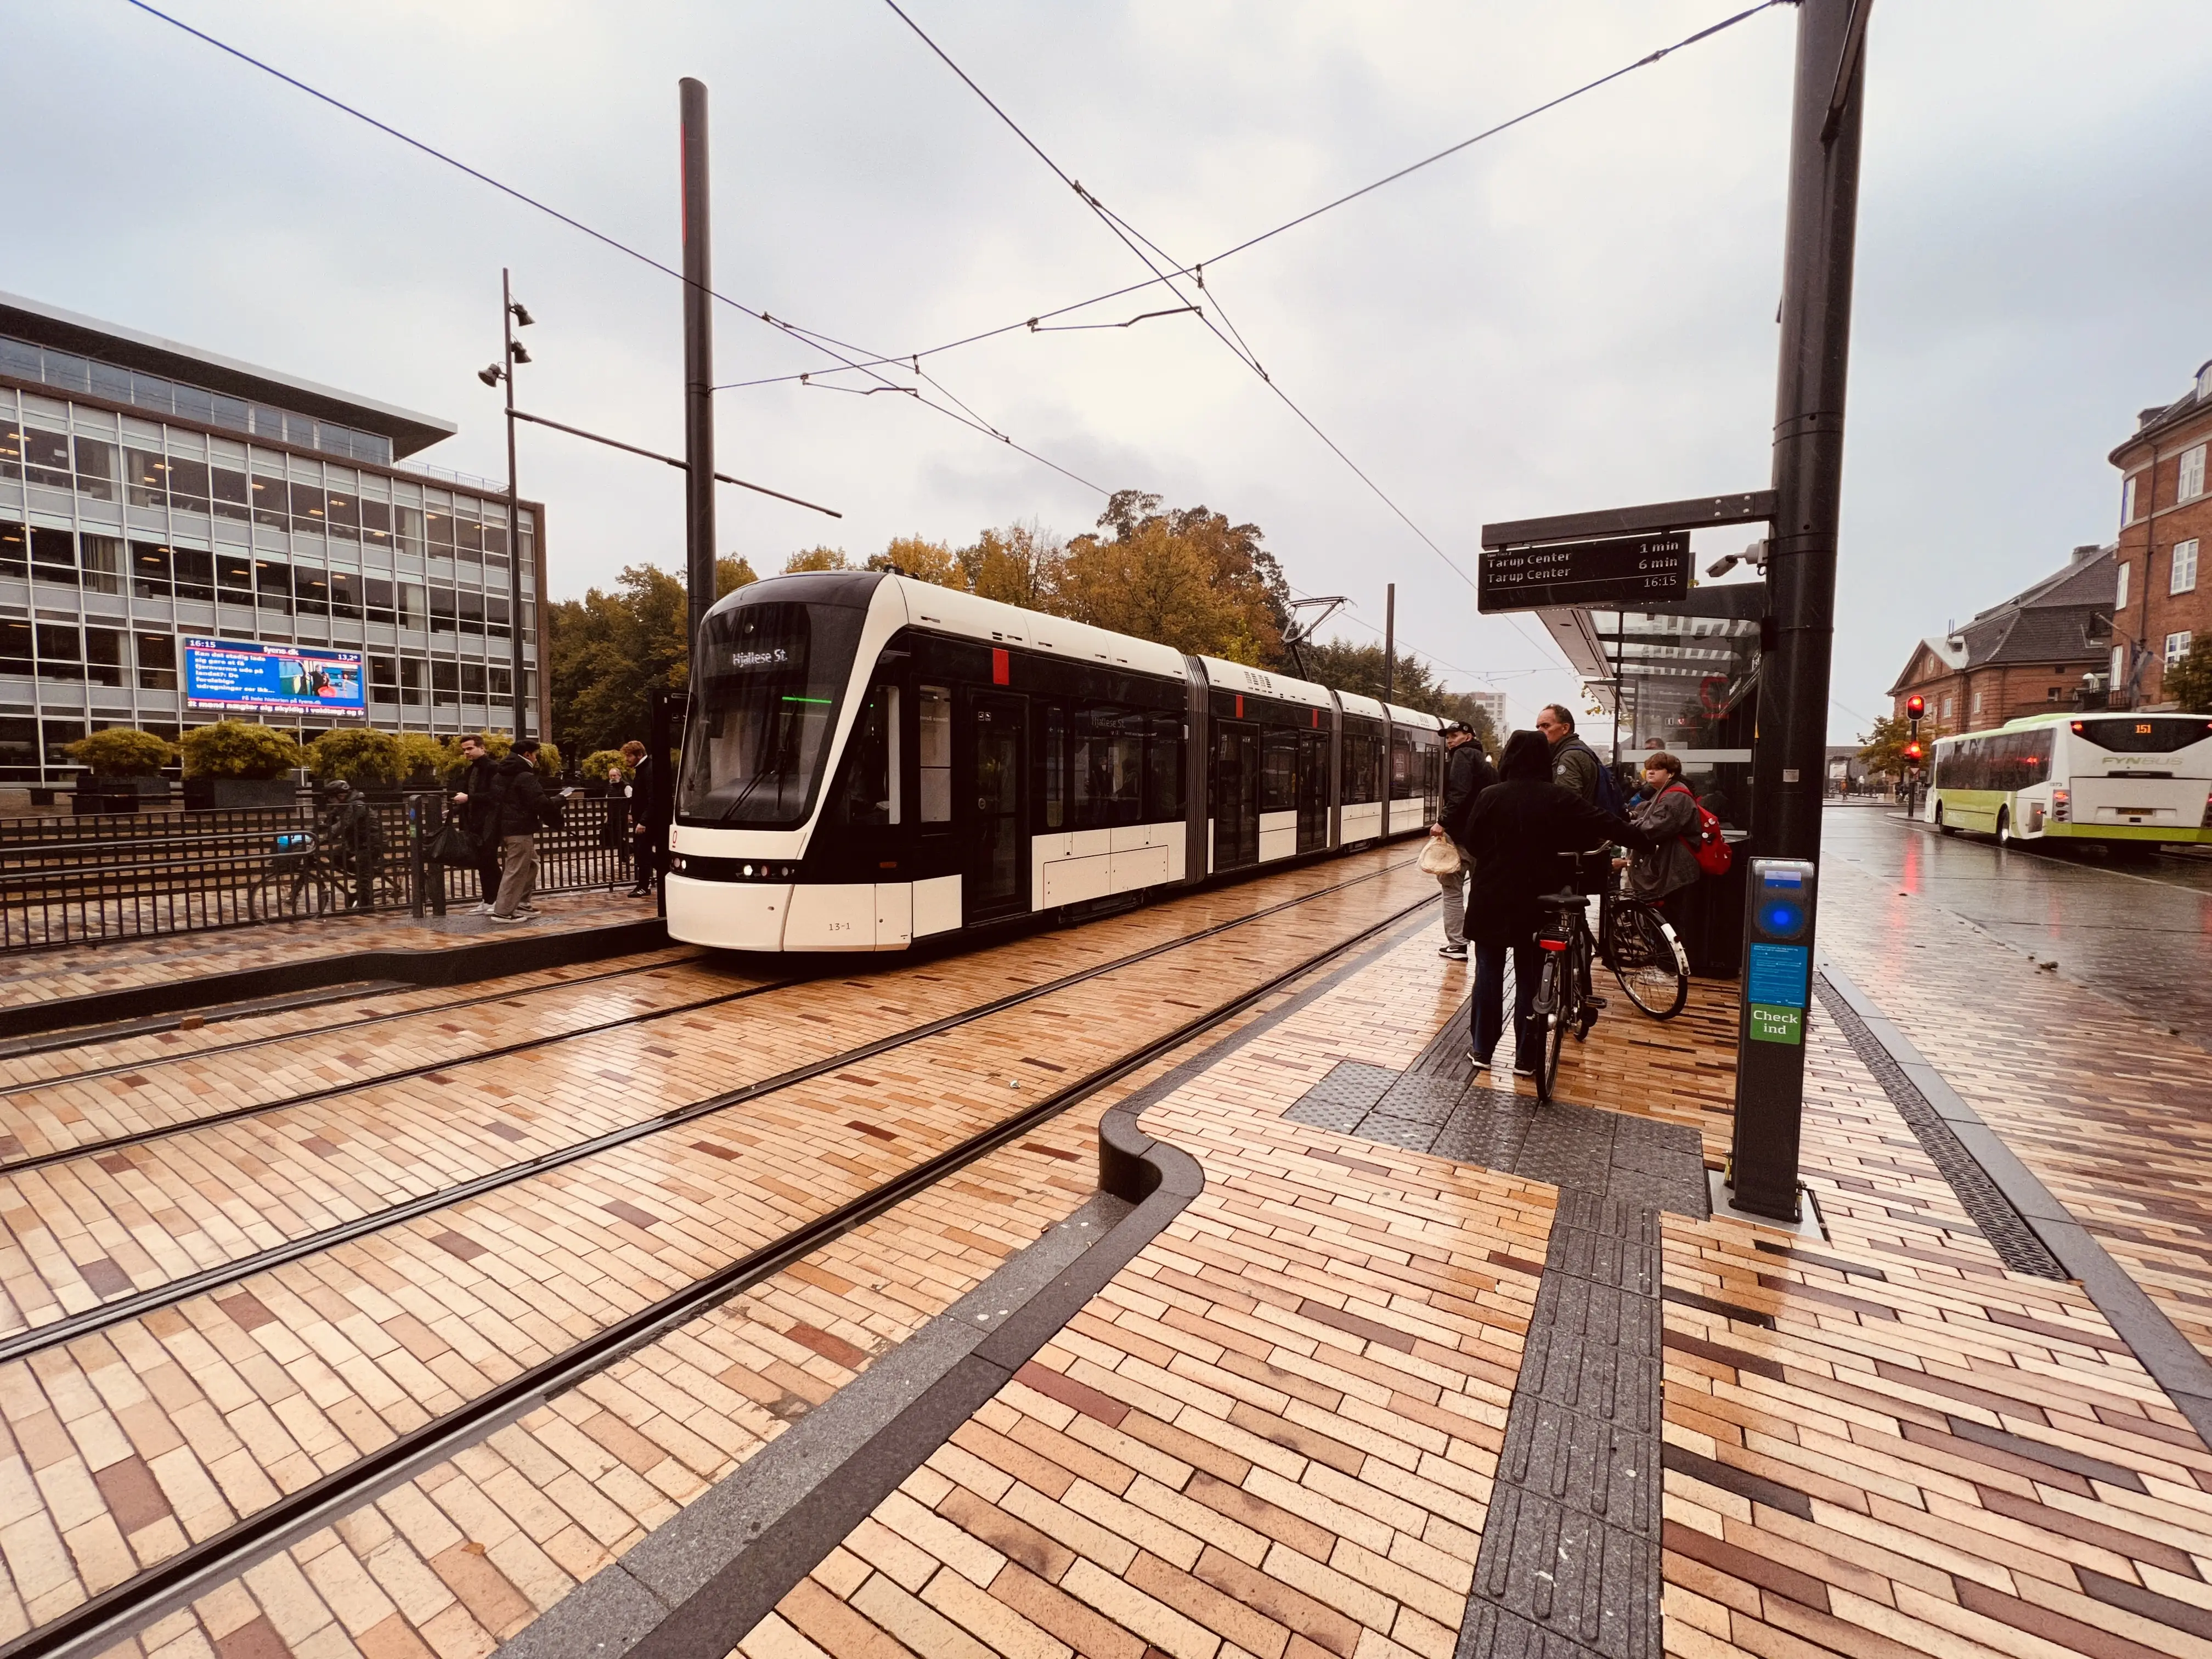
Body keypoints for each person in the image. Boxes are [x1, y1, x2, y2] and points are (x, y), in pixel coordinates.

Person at [1459, 730, 1650, 1077]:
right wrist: (1645, 840)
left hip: (1491, 898)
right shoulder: (1558, 797)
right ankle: (1526, 1058)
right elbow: (1606, 822)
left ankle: (1482, 1050)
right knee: (1531, 977)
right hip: (1536, 900)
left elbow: (1472, 841)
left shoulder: (1490, 796)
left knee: (1487, 974)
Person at [1428, 721, 1497, 961]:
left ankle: (1457, 944)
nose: (1450, 741)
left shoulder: (1463, 756)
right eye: (1448, 737)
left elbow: (1459, 792)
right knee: (1479, 890)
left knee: (1452, 889)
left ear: (1468, 737)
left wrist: (1442, 822)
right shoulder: (1484, 762)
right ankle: (1483, 939)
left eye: (1455, 736)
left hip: (1461, 838)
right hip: (1485, 839)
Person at [1616, 752, 1703, 912]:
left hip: (1673, 872)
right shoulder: (1665, 792)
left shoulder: (1675, 797)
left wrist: (1622, 826)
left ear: (1671, 773)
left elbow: (1655, 827)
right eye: (1648, 768)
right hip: (1668, 869)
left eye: (1657, 769)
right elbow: (1647, 815)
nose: (1650, 772)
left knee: (1670, 919)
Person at [486, 738, 548, 922]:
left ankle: (521, 903)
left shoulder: (501, 775)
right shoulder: (525, 776)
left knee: (531, 863)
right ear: (528, 754)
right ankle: (503, 911)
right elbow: (538, 801)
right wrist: (558, 802)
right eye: (535, 754)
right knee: (515, 869)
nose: (537, 758)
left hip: (507, 827)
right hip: (519, 829)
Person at [451, 735, 504, 916]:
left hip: (489, 823)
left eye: (470, 749)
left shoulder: (493, 768)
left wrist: (468, 798)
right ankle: (488, 900)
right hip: (474, 823)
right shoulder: (472, 770)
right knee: (483, 862)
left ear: (482, 748)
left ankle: (497, 900)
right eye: (464, 750)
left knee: (489, 861)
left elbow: (495, 796)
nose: (467, 753)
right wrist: (458, 809)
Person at [318, 780, 383, 912]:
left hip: (370, 841)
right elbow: (329, 821)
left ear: (340, 796)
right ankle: (365, 873)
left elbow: (343, 825)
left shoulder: (357, 806)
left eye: (330, 798)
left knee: (363, 871)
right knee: (335, 855)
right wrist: (314, 832)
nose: (329, 801)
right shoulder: (343, 805)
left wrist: (323, 839)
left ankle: (366, 907)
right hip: (355, 841)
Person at [1535, 703, 1603, 804]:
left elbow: (1567, 805)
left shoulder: (1569, 757)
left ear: (1565, 728)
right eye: (1538, 727)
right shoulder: (1579, 750)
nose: (1540, 731)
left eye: (1546, 726)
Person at [623, 738, 664, 899]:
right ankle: (658, 875)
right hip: (645, 818)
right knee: (642, 852)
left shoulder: (648, 770)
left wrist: (643, 821)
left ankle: (644, 885)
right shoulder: (644, 769)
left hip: (648, 820)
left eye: (629, 756)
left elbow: (653, 798)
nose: (627, 759)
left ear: (639, 755)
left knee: (643, 852)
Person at [597, 760, 633, 890]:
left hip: (622, 817)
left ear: (619, 775)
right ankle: (626, 854)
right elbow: (609, 803)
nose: (612, 778)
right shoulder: (609, 787)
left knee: (621, 837)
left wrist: (630, 814)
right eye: (611, 776)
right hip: (612, 817)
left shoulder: (626, 787)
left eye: (614, 776)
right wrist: (607, 816)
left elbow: (632, 801)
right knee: (615, 838)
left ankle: (628, 853)